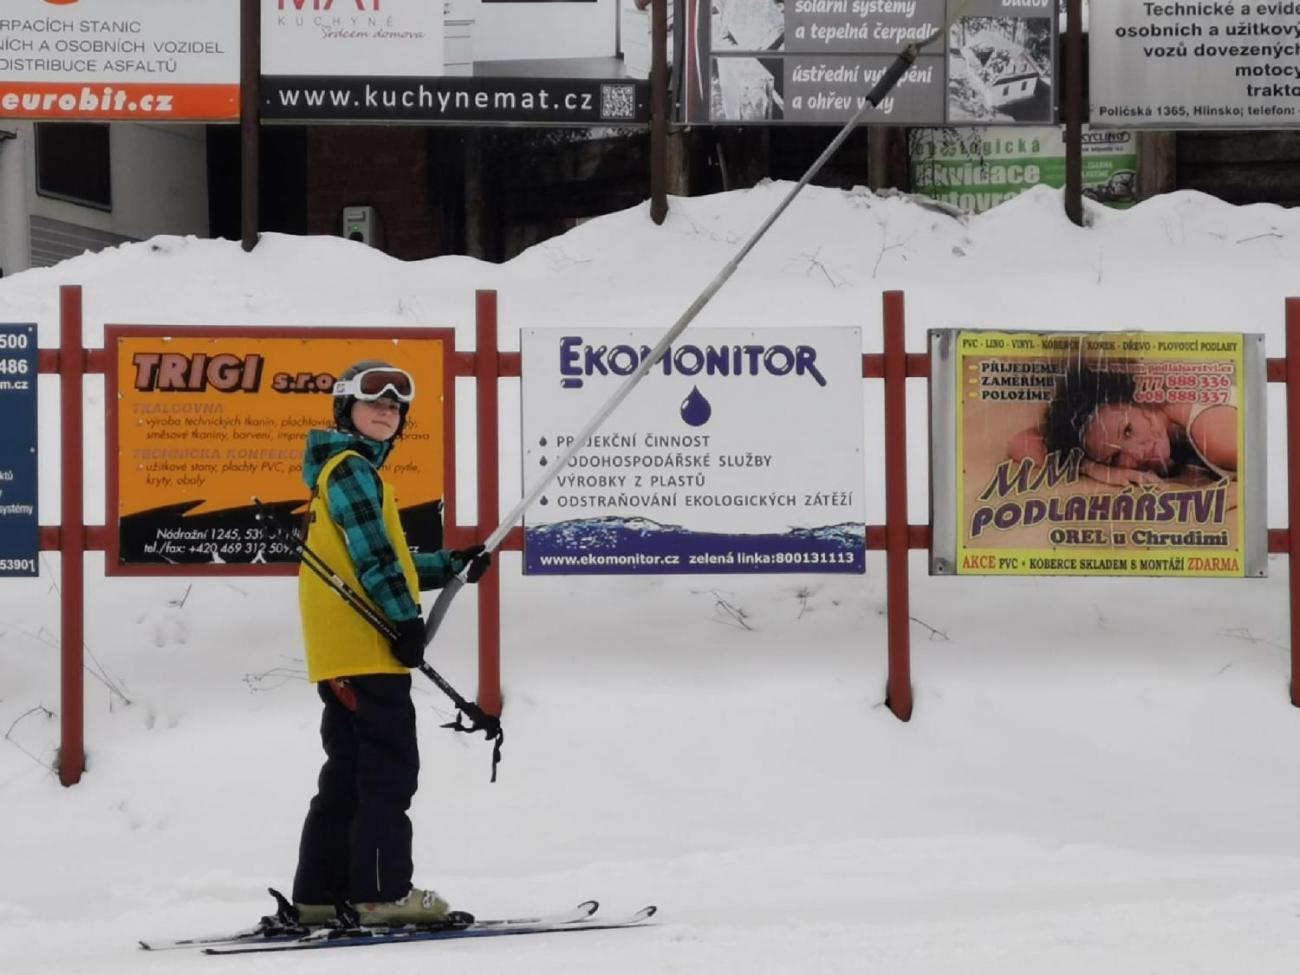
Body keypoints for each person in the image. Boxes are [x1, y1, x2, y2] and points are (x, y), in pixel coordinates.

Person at [290, 359, 492, 926]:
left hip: (342, 651)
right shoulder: (353, 470)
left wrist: (451, 564)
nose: (386, 411)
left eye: (395, 406)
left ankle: (318, 896)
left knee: (349, 774)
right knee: (388, 772)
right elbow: (375, 560)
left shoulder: (339, 471)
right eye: (373, 402)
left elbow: (387, 560)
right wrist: (405, 622)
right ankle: (380, 894)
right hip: (366, 646)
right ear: (345, 409)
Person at [1007, 361, 1238, 487]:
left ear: (1142, 401)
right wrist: (1096, 469)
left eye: (1128, 431)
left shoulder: (1214, 436)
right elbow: (1020, 442)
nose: (1137, 455)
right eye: (1115, 458)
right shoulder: (1168, 417)